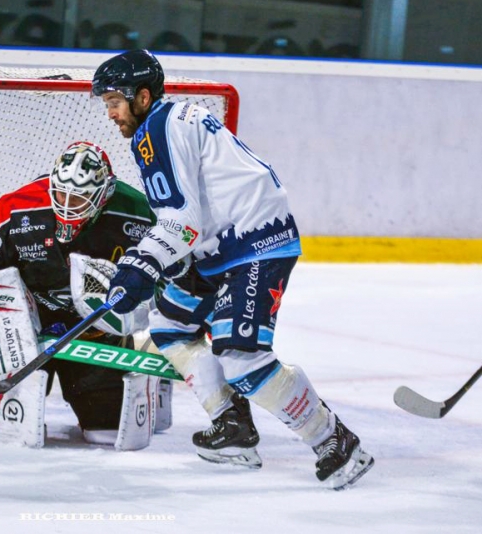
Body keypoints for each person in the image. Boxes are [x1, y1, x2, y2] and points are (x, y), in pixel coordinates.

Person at [92, 49, 374, 489]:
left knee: (241, 357)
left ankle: (334, 440)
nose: (109, 113)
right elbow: (192, 216)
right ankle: (232, 429)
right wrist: (155, 263)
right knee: (169, 323)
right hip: (221, 247)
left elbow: (180, 220)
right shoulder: (169, 119)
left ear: (142, 96)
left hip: (255, 244)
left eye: (114, 101)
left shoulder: (157, 131)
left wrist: (140, 265)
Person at [0, 140, 162, 446]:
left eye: (78, 199)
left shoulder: (139, 213)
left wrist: (141, 307)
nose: (67, 205)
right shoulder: (17, 206)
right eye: (61, 194)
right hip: (23, 335)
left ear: (103, 195)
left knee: (105, 430)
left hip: (93, 334)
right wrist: (8, 319)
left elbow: (170, 270)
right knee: (11, 432)